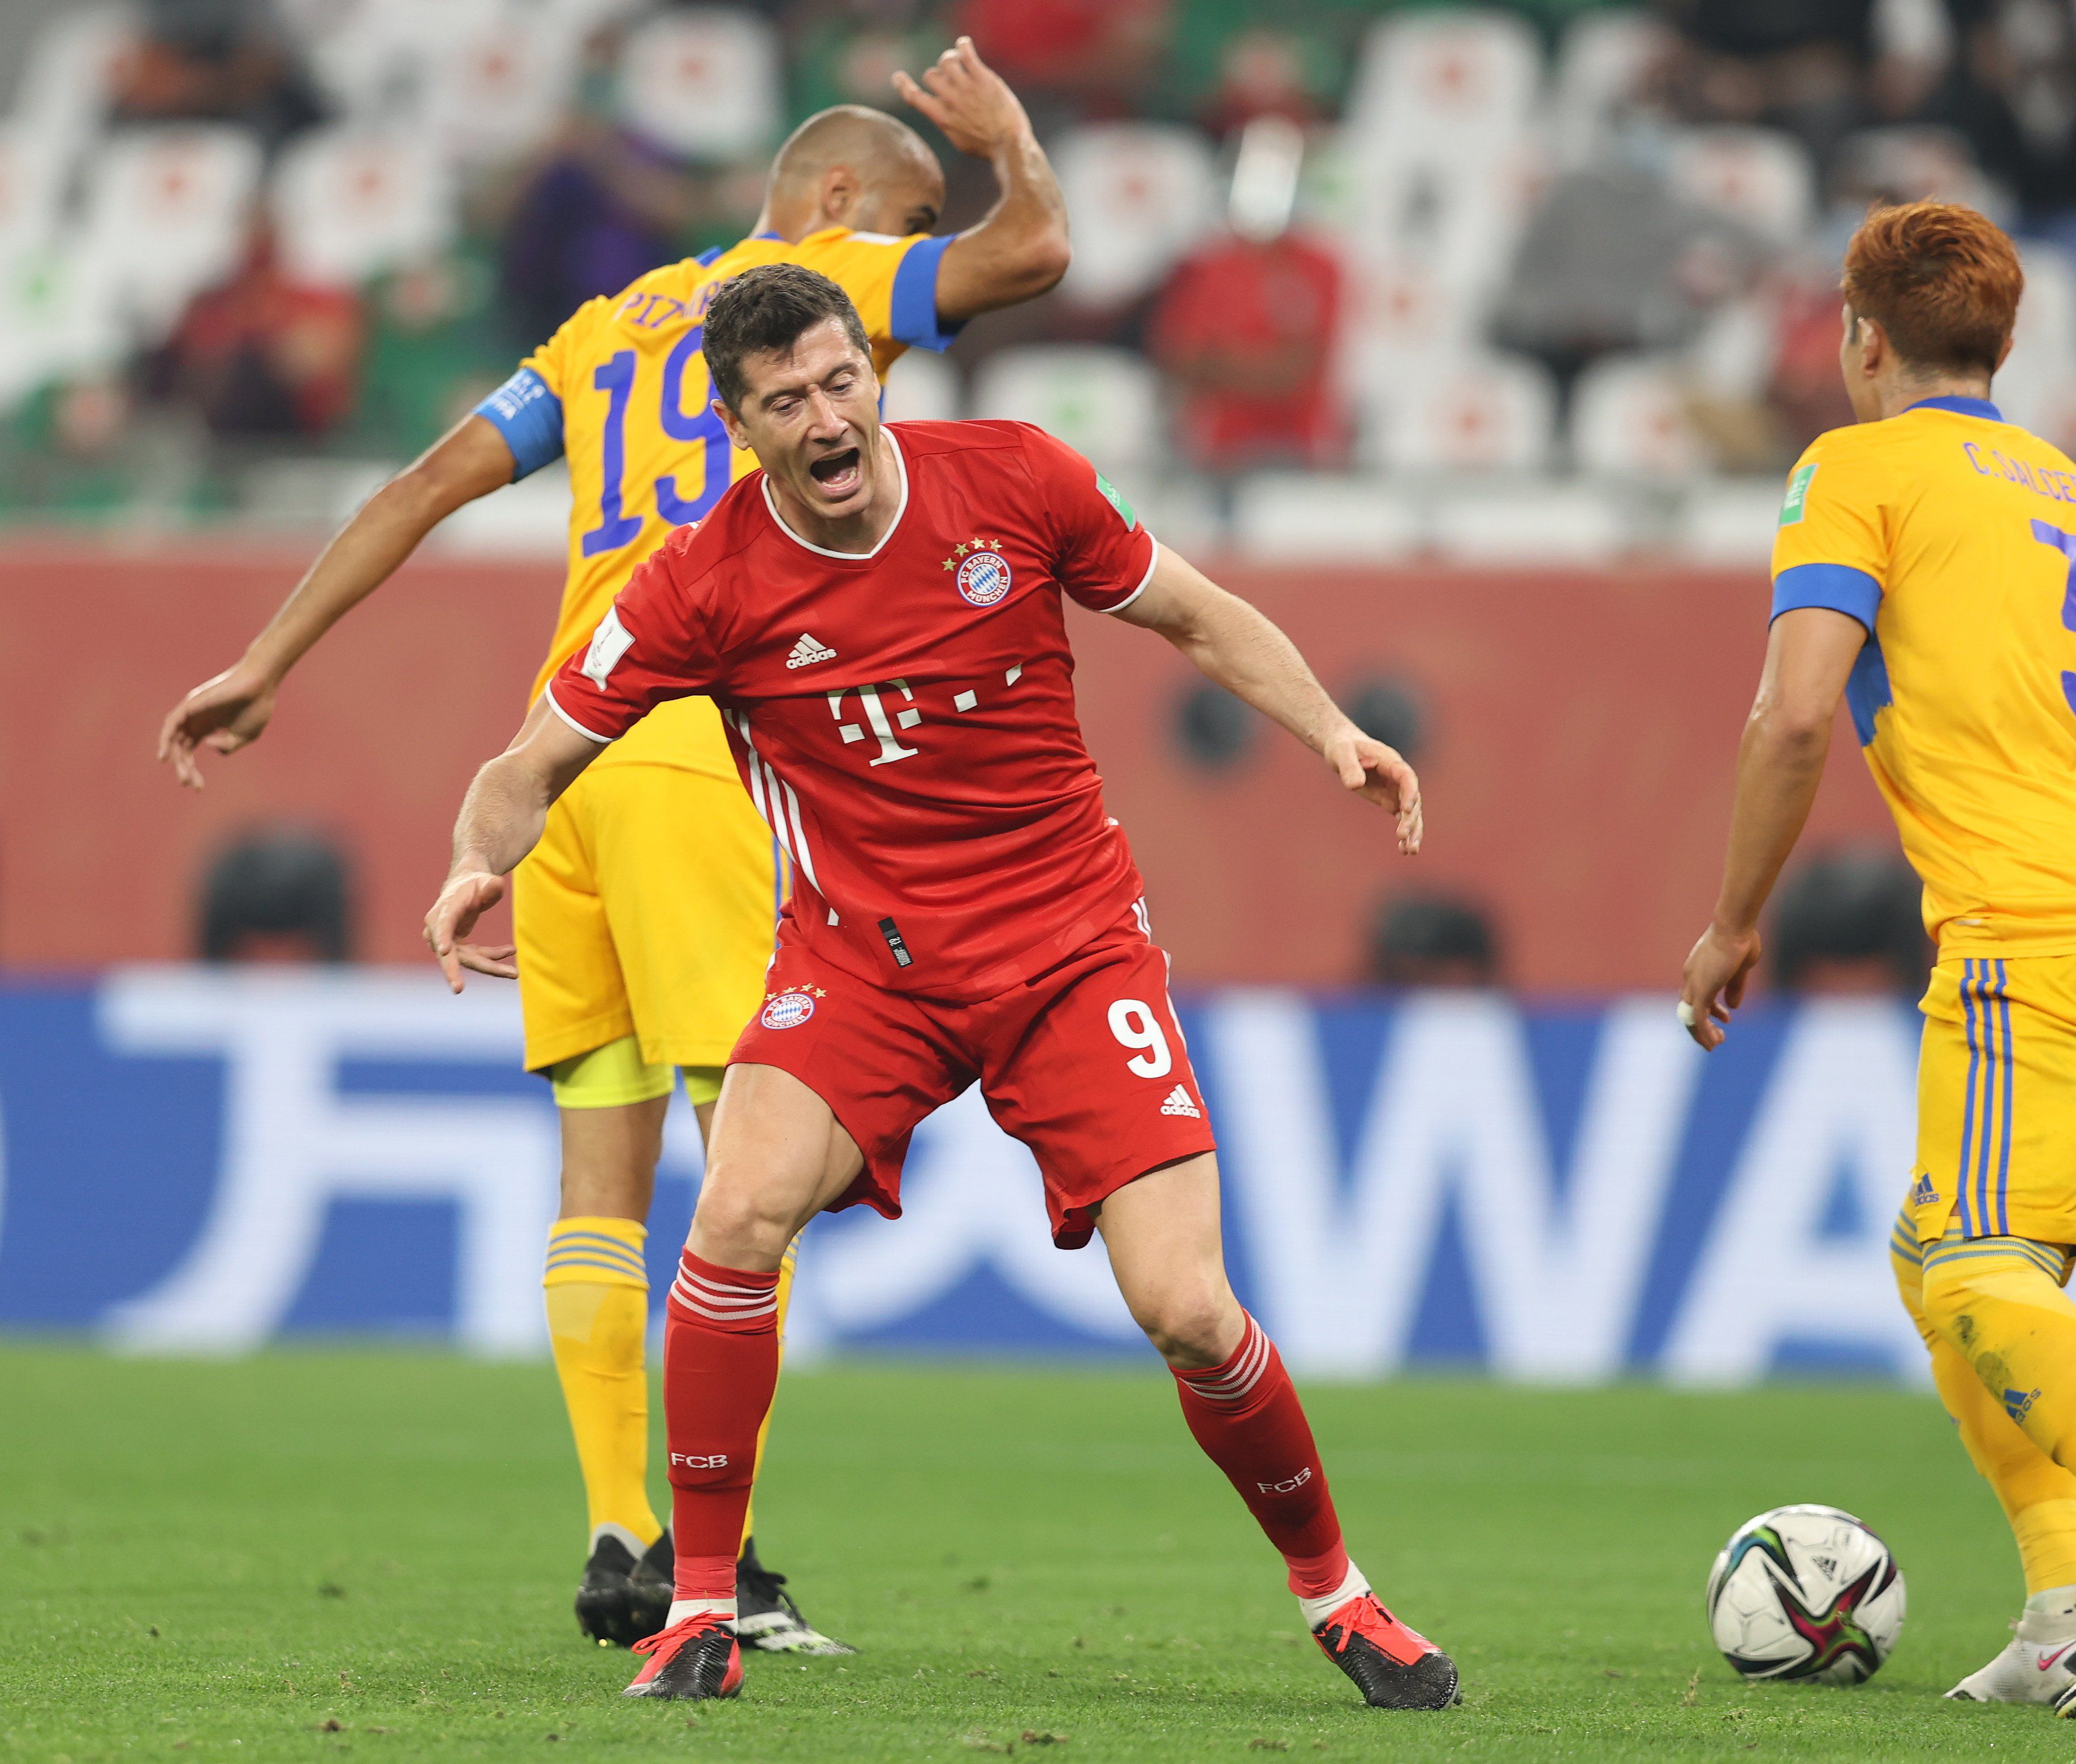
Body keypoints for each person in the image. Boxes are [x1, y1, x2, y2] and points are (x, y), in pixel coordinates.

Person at [422, 263, 1457, 1711]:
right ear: (739, 427)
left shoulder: (1017, 481)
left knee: (1190, 1311)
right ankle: (703, 1611)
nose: (826, 418)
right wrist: (479, 864)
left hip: (1069, 950)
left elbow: (1197, 615)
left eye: (842, 381)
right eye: (785, 402)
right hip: (862, 966)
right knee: (734, 1214)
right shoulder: (700, 578)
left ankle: (1341, 1601)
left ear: (878, 378)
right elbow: (527, 766)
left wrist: (1332, 732)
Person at [153, 41, 1071, 1657]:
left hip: (558, 755)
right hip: (696, 738)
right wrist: (999, 154)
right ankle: (728, 1574)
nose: (913, 295)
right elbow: (1031, 258)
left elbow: (430, 479)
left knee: (602, 1163)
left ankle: (617, 1530)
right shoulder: (829, 278)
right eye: (906, 216)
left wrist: (267, 659)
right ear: (845, 199)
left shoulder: (612, 324)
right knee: (758, 1170)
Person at [1678, 201, 2076, 1720]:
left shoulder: (1850, 468)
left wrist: (1730, 919)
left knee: (1967, 1266)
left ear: (1857, 335)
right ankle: (2057, 1612)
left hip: (2030, 933)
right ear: (2002, 343)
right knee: (1947, 1255)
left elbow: (1793, 714)